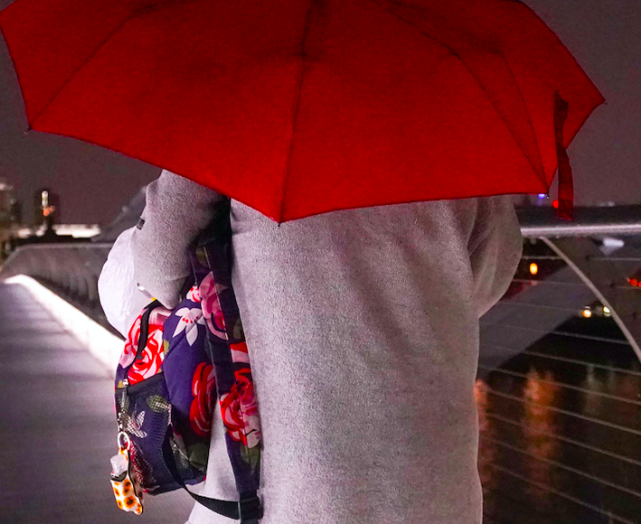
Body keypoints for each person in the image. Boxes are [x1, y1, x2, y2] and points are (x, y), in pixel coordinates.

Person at [125, 170, 522, 524]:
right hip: (440, 496)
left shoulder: (241, 116)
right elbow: (488, 280)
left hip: (297, 497)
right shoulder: (458, 131)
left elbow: (159, 269)